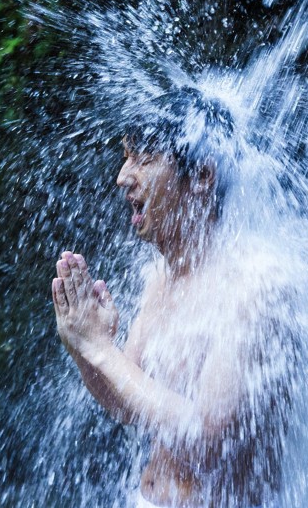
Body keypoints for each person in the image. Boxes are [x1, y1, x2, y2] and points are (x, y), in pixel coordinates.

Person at [51, 88, 294, 507]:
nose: (123, 176)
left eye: (144, 159)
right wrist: (83, 346)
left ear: (202, 176)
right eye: (128, 157)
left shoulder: (255, 285)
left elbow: (208, 441)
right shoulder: (162, 277)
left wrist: (101, 350)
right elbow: (125, 406)